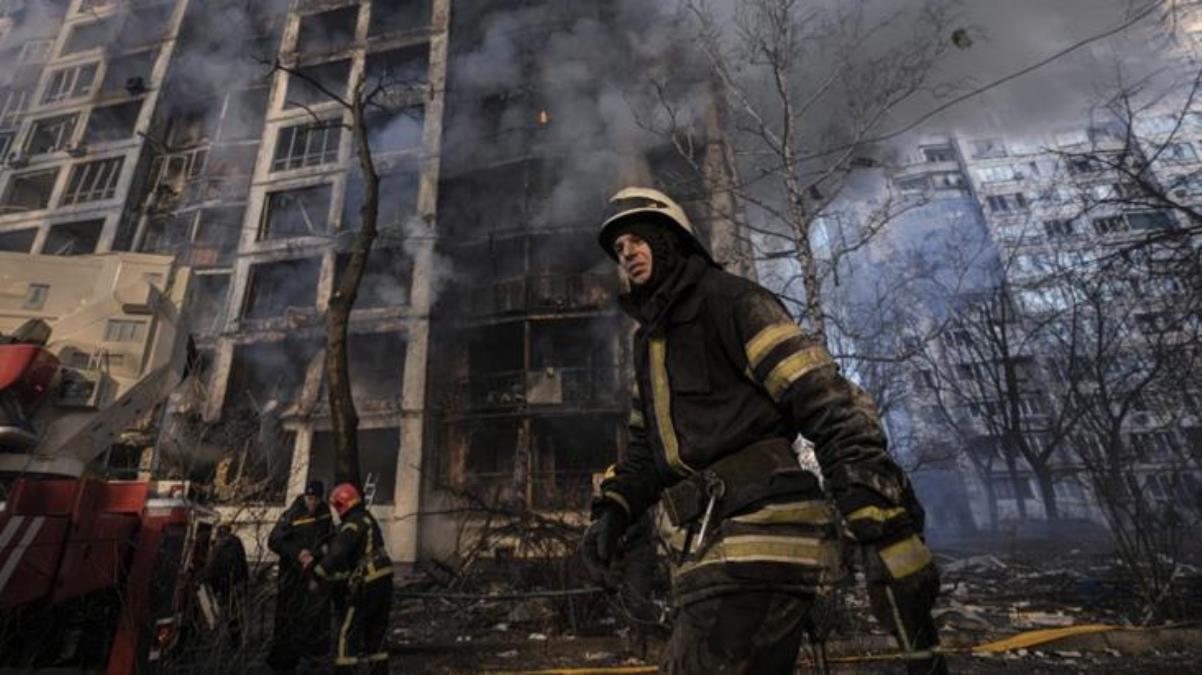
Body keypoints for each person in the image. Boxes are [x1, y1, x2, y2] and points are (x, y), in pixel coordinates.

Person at [580, 187, 946, 674]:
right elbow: (648, 449)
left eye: (635, 241)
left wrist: (874, 508)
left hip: (761, 537)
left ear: (669, 239)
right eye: (618, 250)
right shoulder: (650, 344)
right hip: (708, 551)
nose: (626, 255)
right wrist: (615, 510)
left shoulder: (732, 302)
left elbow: (825, 399)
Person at [310, 482, 393, 674]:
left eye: (336, 506)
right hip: (384, 579)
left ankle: (345, 671)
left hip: (368, 581)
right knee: (376, 632)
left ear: (342, 504)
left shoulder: (353, 523)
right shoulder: (366, 518)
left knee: (347, 632)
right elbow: (341, 547)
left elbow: (339, 552)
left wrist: (317, 574)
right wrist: (318, 553)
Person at [267, 480, 335, 673]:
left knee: (315, 620)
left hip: (313, 575)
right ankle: (283, 662)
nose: (311, 503)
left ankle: (312, 660)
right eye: (309, 498)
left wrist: (317, 558)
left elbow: (329, 541)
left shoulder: (325, 514)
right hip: (291, 577)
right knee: (287, 619)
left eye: (315, 499)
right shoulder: (293, 513)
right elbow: (274, 541)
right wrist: (298, 553)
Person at [205, 524, 249, 649]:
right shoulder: (237, 543)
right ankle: (236, 641)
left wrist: (213, 587)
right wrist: (245, 583)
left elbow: (213, 568)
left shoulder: (217, 546)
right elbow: (243, 563)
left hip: (223, 585)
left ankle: (220, 642)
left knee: (219, 613)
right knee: (234, 614)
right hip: (236, 584)